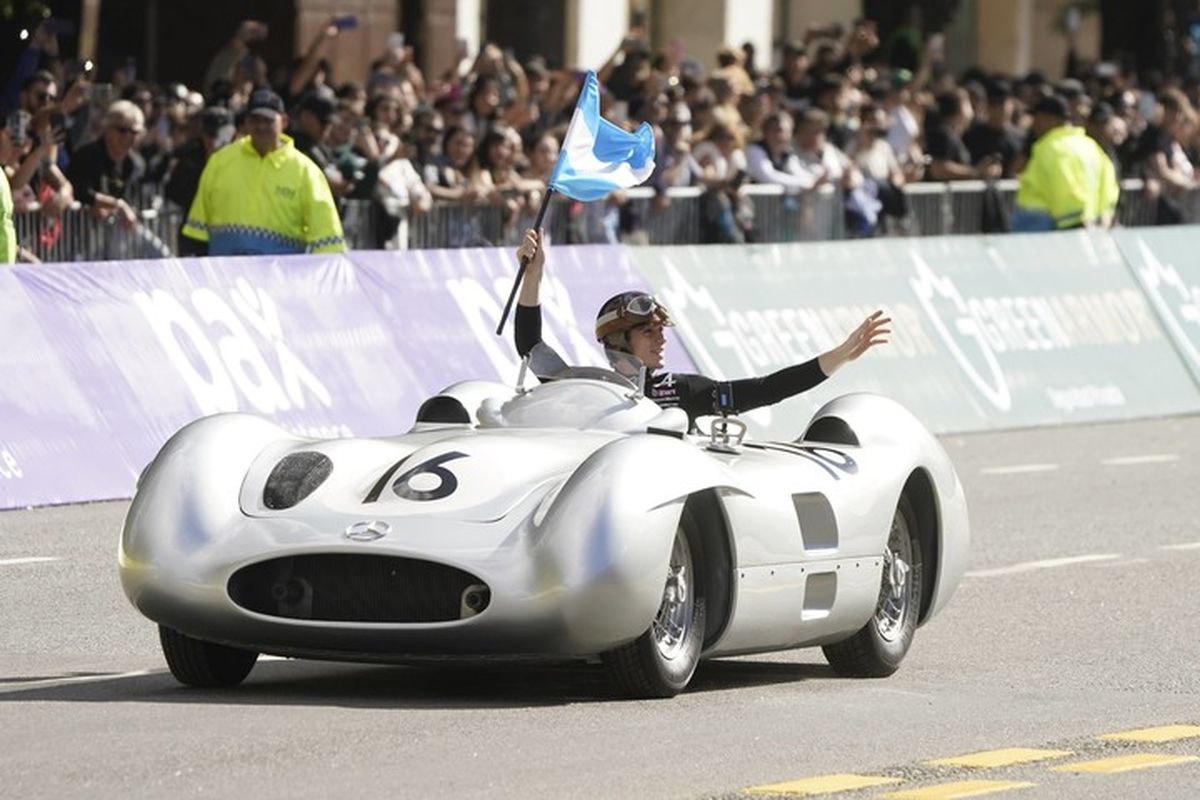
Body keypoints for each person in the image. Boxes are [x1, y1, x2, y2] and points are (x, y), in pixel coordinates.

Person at [511, 228, 890, 428]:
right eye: (649, 331)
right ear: (618, 341)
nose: (661, 338)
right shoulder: (586, 385)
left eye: (661, 330)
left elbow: (765, 390)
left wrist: (839, 356)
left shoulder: (682, 389)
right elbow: (531, 346)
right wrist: (535, 273)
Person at [182, 89, 346, 255]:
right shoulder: (220, 162)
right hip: (225, 276)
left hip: (280, 278)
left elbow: (327, 239)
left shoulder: (306, 172)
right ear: (246, 122)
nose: (261, 126)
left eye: (268, 120)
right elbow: (198, 229)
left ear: (284, 122)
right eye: (255, 119)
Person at [1013, 95, 1119, 231]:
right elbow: (1109, 184)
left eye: (1037, 118)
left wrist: (1073, 225)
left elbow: (1064, 188)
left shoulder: (1051, 147)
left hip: (1048, 230)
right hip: (1090, 227)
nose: (1034, 125)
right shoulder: (1090, 145)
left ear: (1050, 119)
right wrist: (1104, 217)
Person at [65, 99, 146, 230]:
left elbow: (132, 199)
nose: (127, 136)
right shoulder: (88, 155)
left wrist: (113, 208)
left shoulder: (134, 164)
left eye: (134, 132)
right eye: (122, 130)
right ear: (107, 128)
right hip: (75, 233)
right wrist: (117, 205)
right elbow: (79, 190)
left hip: (113, 236)